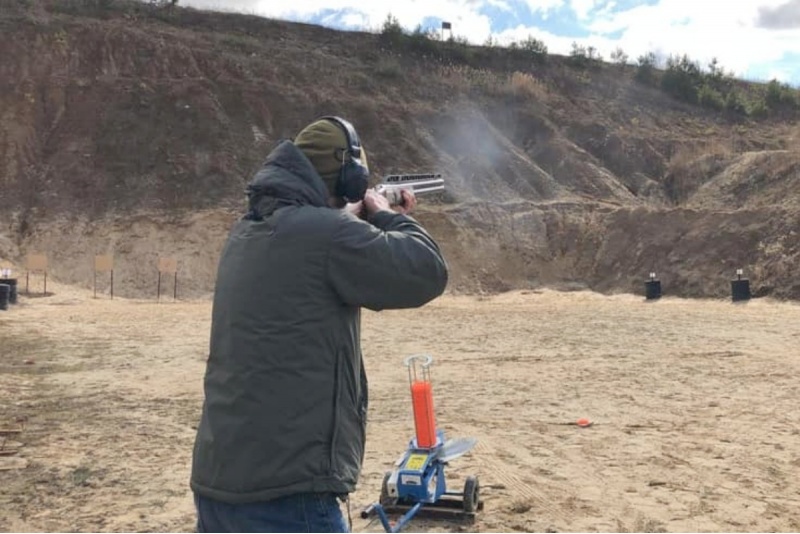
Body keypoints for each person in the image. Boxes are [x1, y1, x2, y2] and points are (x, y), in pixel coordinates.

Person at [190, 116, 449, 532]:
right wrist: (384, 214)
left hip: (222, 483)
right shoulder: (325, 235)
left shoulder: (246, 232)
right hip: (287, 496)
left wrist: (353, 218)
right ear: (349, 179)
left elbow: (315, 257)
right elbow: (426, 271)